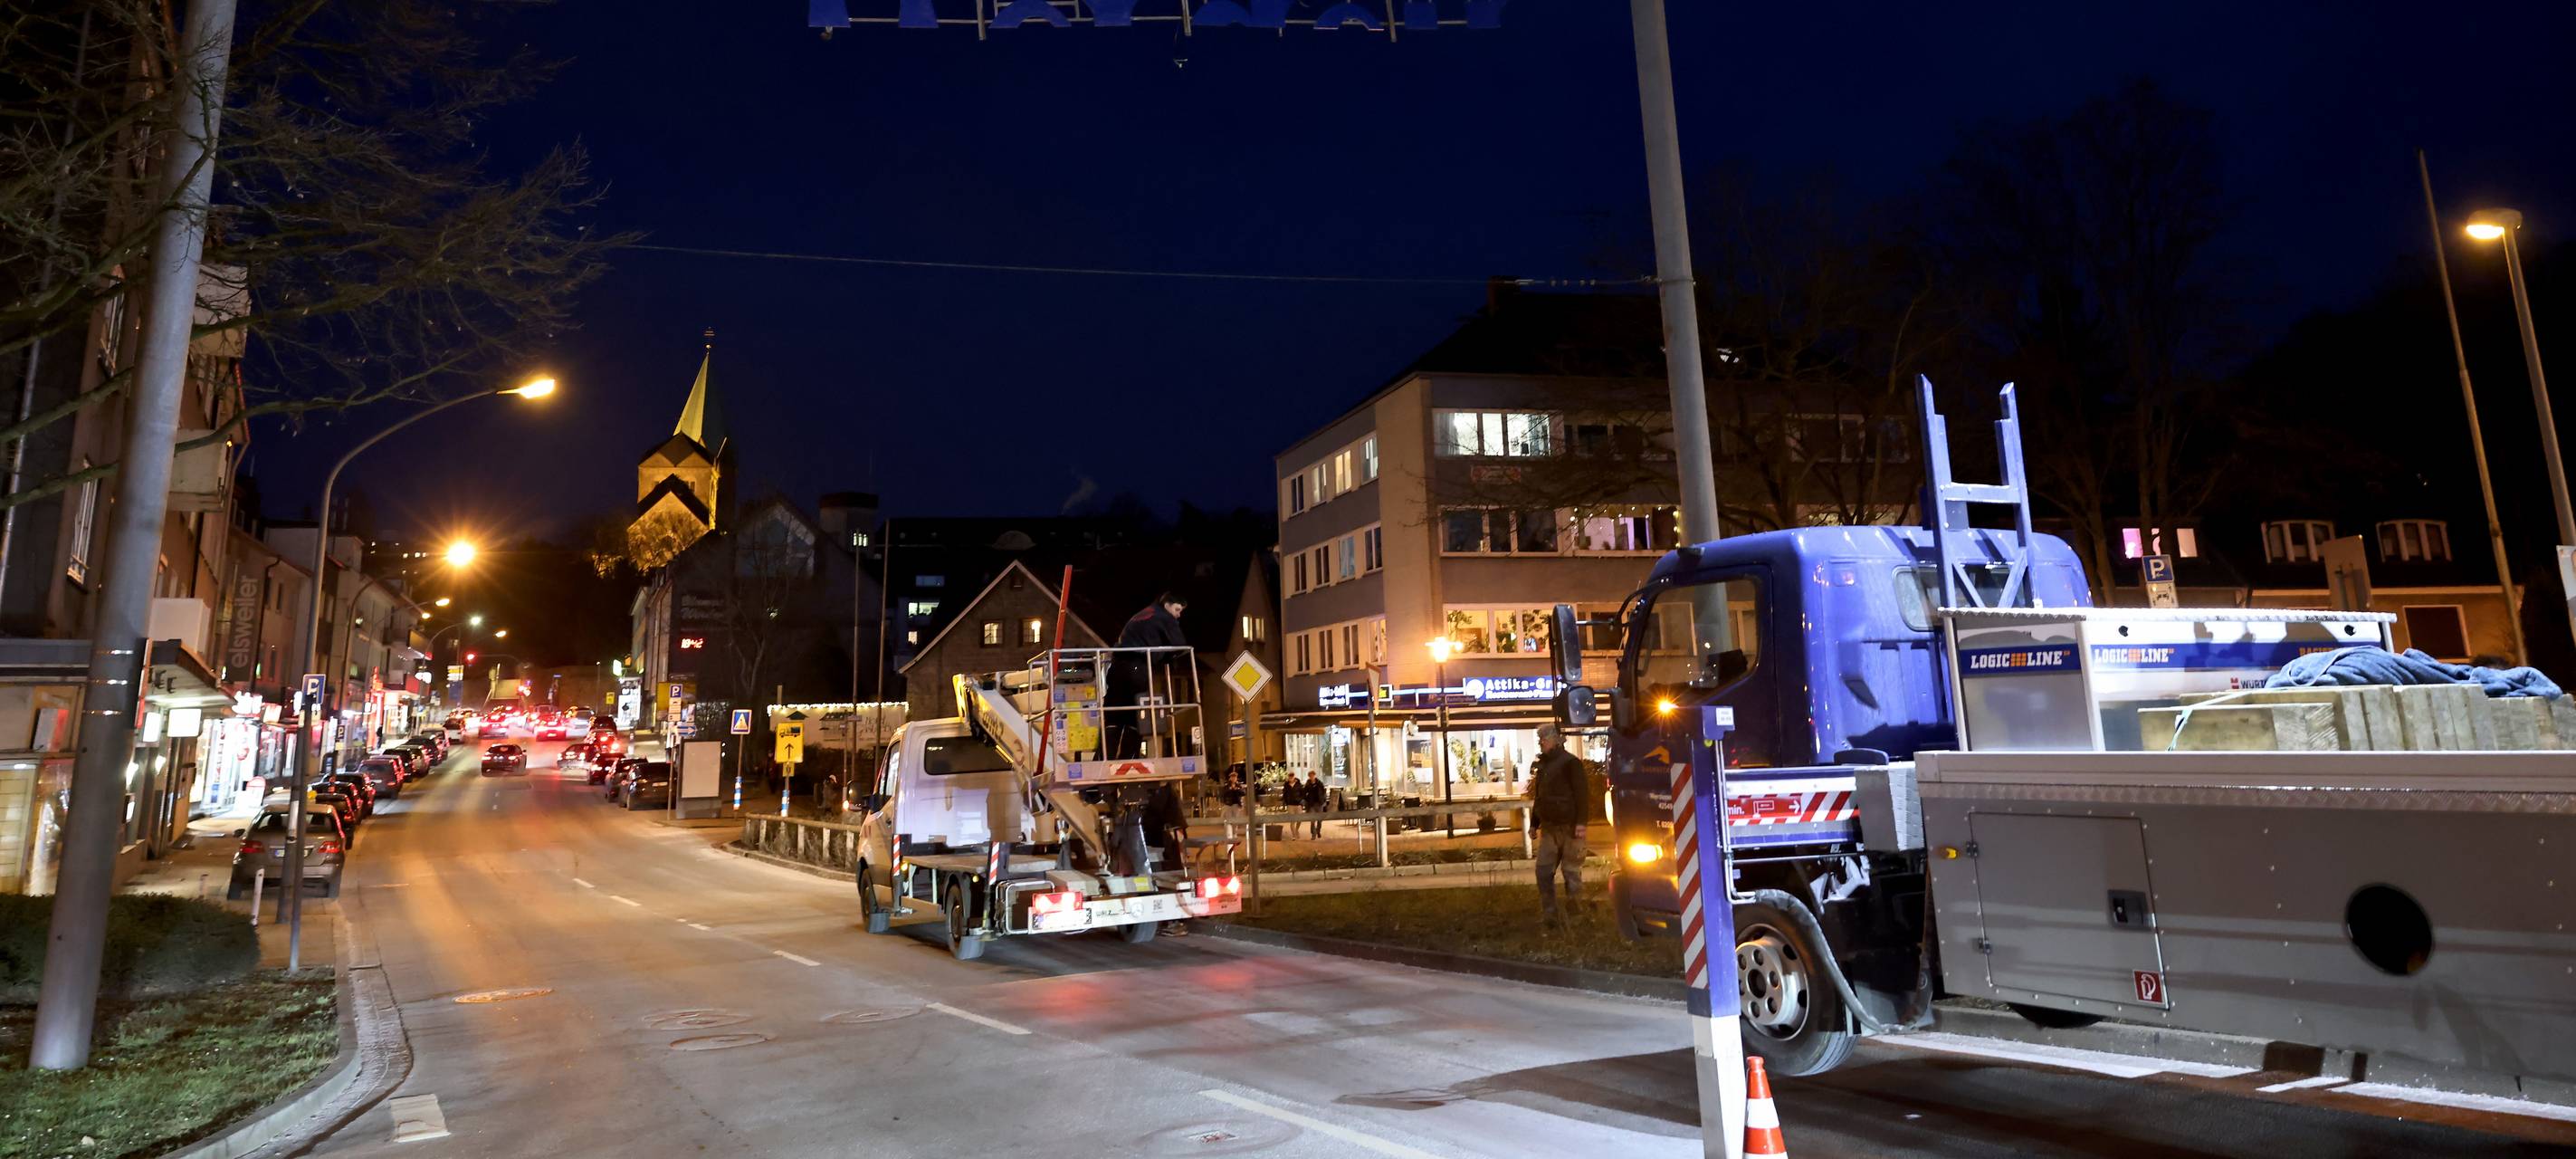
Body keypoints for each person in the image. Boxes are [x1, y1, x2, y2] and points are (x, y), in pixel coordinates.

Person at [1109, 593, 1190, 757]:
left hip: (1117, 667)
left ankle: (1104, 757)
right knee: (1138, 717)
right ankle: (1128, 759)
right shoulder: (1164, 617)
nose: (1178, 615)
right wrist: (1166, 658)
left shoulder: (1145, 613)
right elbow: (1180, 645)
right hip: (1137, 667)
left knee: (1114, 716)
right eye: (1177, 610)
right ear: (1167, 605)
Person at [1526, 723, 1589, 928]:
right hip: (1550, 829)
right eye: (1540, 740)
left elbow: (1582, 795)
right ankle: (1550, 915)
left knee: (1571, 872)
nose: (1541, 743)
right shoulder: (1544, 766)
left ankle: (1576, 915)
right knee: (1543, 872)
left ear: (1555, 740)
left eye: (1543, 739)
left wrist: (1581, 823)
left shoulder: (1571, 763)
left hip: (1570, 829)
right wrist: (1534, 824)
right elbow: (1540, 798)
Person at [1302, 771, 1326, 838]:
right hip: (1311, 804)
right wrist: (1307, 799)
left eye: (1313, 775)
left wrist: (1323, 800)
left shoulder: (1319, 783)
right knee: (1312, 820)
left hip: (1319, 803)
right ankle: (1313, 833)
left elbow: (1323, 792)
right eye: (1310, 776)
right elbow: (1304, 793)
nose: (1312, 777)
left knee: (1319, 820)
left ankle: (1318, 831)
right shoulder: (1308, 784)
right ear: (1309, 777)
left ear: (1315, 775)